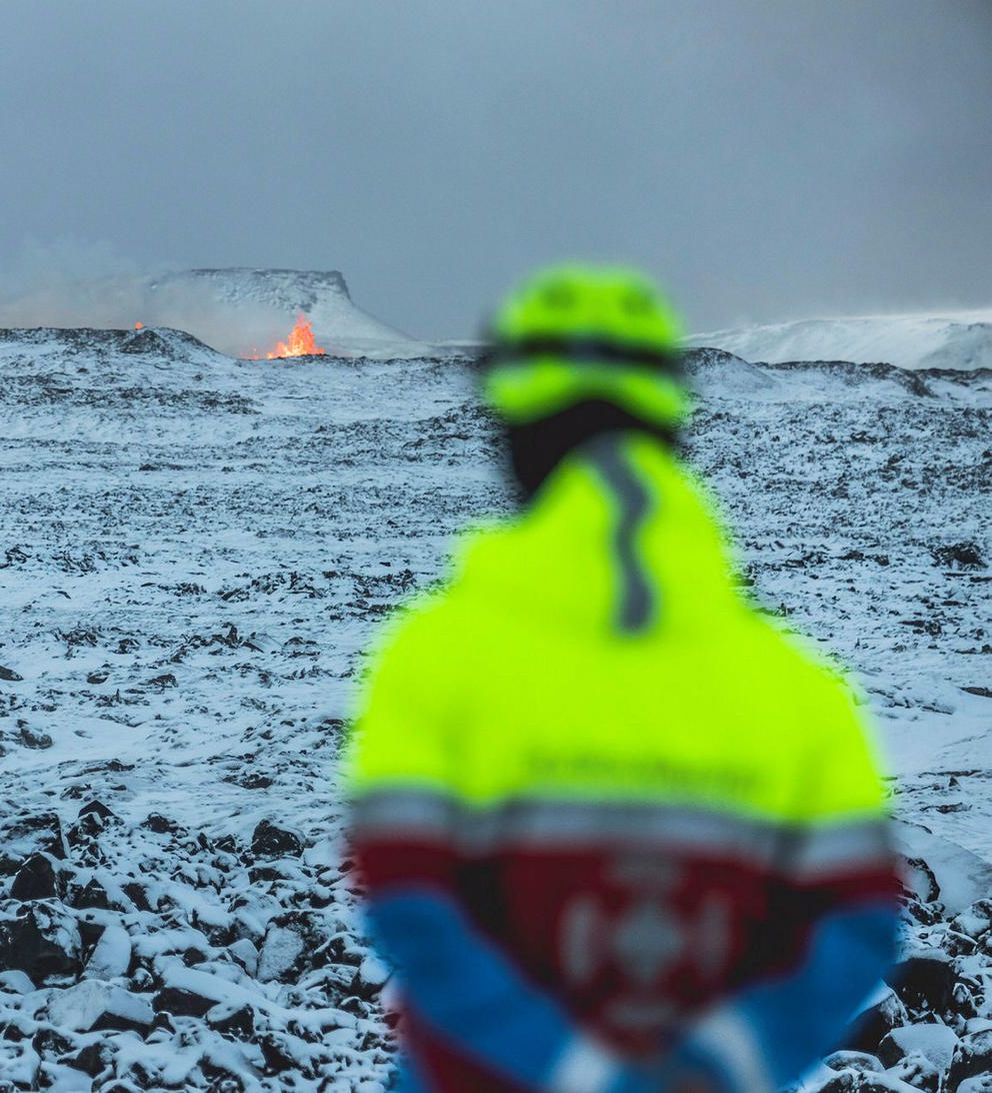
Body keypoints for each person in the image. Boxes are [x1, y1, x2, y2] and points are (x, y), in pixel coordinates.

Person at [342, 265, 901, 1093]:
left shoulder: (433, 655)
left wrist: (567, 1067)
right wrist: (726, 1063)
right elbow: (859, 921)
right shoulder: (797, 684)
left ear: (514, 440)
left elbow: (408, 907)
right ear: (673, 428)